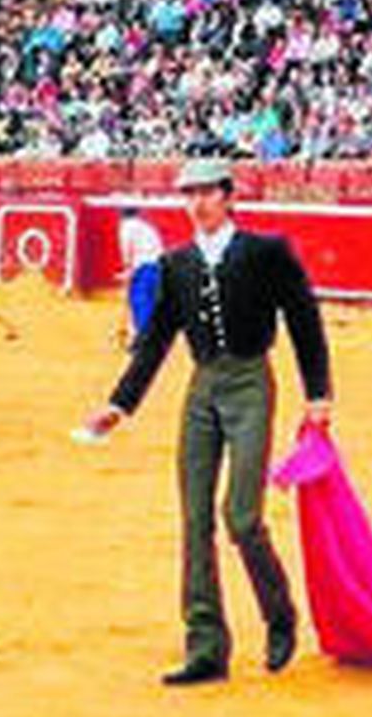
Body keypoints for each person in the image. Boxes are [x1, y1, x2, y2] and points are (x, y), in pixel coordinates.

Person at [81, 157, 333, 685]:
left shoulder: (266, 252)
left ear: (228, 195)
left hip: (249, 385)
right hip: (202, 390)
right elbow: (155, 342)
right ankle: (206, 647)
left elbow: (304, 318)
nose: (197, 203)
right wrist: (119, 405)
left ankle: (279, 614)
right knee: (195, 520)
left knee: (241, 515)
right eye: (188, 194)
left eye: (206, 193)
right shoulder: (177, 265)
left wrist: (318, 393)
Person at [116, 197, 164, 347]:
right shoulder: (146, 226)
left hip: (143, 268)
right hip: (159, 267)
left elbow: (127, 251)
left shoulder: (126, 227)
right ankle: (147, 337)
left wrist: (127, 271)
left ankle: (144, 339)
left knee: (139, 302)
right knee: (151, 303)